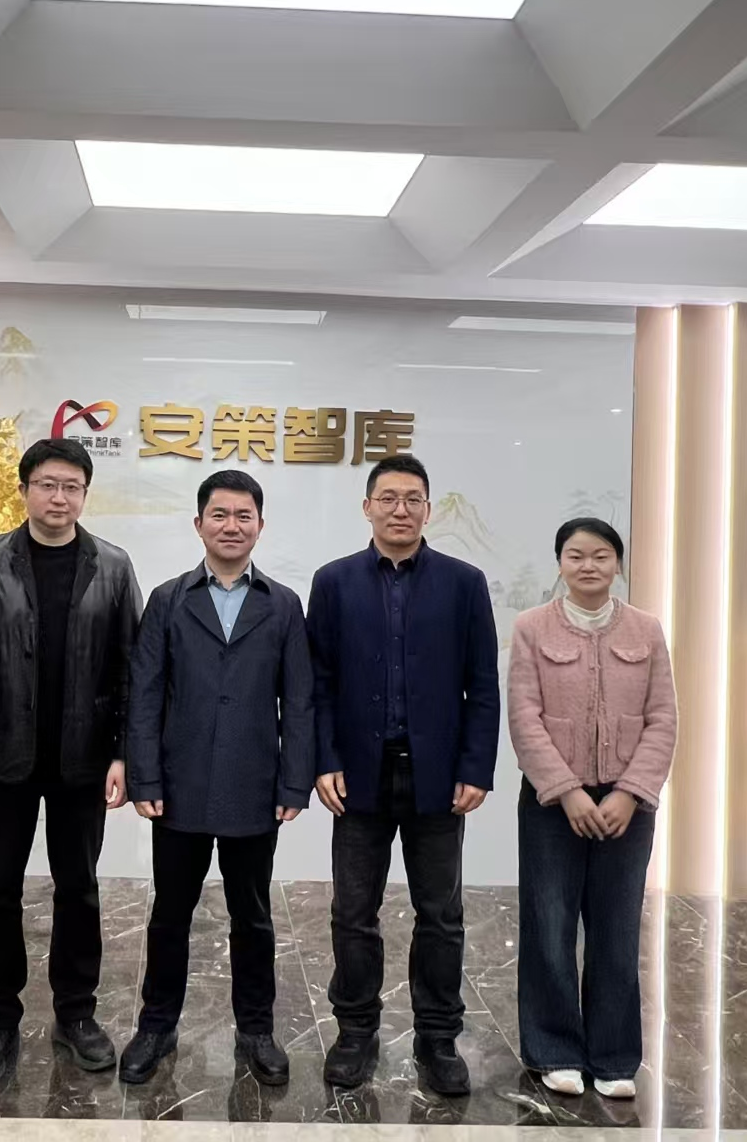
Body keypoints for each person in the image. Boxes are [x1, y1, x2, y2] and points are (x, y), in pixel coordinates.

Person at [0, 437, 142, 1084]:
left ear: (85, 494)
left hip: (84, 760)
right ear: (25, 489)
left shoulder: (112, 567)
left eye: (71, 487)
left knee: (78, 888)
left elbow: (132, 670)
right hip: (1, 760)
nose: (59, 497)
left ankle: (76, 1014)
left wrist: (124, 753)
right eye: (48, 485)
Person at [306, 453, 499, 1096]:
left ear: (428, 509)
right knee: (353, 911)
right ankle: (355, 1032)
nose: (400, 509)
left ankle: (438, 1039)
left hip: (437, 777)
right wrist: (324, 758)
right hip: (358, 775)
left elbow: (482, 684)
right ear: (367, 507)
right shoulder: (333, 582)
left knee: (440, 914)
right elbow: (318, 684)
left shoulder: (464, 583)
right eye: (387, 498)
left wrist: (475, 767)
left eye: (413, 499)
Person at [121, 471, 315, 1087]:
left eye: (243, 515)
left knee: (252, 916)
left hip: (254, 786)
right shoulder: (168, 599)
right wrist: (145, 778)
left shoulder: (283, 605)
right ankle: (156, 1025)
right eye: (220, 515)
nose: (232, 526)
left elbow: (299, 701)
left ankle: (256, 1028)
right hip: (179, 786)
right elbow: (144, 695)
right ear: (199, 523)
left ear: (260, 525)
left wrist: (294, 783)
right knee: (169, 914)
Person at [506, 517, 676, 1101]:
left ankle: (614, 1056)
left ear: (618, 564)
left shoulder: (646, 629)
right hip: (553, 804)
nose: (588, 566)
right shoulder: (532, 628)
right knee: (549, 926)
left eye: (601, 555)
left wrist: (630, 792)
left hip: (628, 805)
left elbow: (663, 718)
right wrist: (567, 789)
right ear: (560, 563)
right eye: (575, 555)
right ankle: (553, 1050)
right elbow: (524, 718)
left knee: (616, 928)